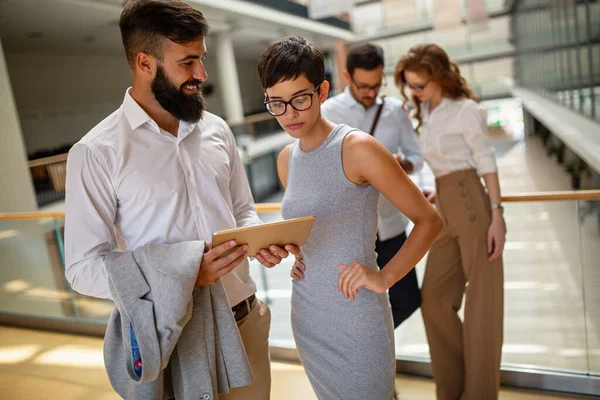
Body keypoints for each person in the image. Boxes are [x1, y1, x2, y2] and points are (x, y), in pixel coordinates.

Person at [64, 1, 300, 398]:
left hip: (247, 322)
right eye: (187, 62)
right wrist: (183, 276)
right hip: (177, 338)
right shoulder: (96, 152)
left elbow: (242, 209)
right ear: (145, 63)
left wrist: (259, 241)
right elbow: (82, 267)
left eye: (202, 59)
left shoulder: (217, 130)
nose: (202, 75)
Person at [257, 35, 442, 400]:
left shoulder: (358, 148)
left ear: (322, 91)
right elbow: (313, 230)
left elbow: (430, 220)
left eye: (300, 99)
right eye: (276, 103)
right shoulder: (285, 160)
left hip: (356, 315)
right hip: (308, 314)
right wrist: (299, 256)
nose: (289, 114)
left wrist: (384, 277)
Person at [395, 43, 506, 400]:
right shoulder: (427, 111)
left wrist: (497, 215)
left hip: (472, 203)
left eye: (420, 84)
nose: (415, 92)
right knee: (435, 302)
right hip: (444, 203)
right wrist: (435, 196)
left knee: (481, 308)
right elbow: (439, 165)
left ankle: (479, 394)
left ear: (440, 77)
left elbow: (486, 163)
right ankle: (452, 389)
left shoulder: (467, 111)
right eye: (410, 85)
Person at [293, 42, 424, 328]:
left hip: (390, 221)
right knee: (351, 301)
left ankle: (377, 336)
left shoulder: (395, 110)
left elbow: (417, 156)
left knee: (407, 299)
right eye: (364, 85)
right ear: (348, 76)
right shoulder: (328, 110)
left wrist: (401, 167)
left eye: (377, 85)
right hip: (349, 227)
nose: (371, 92)